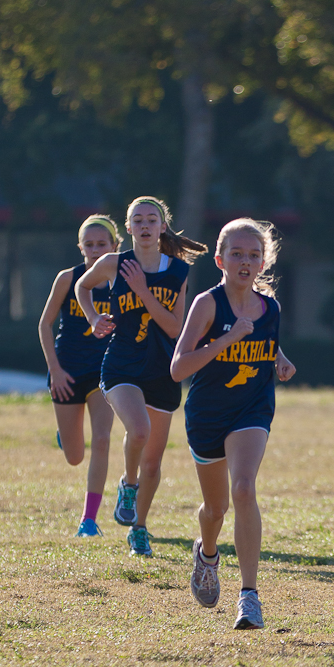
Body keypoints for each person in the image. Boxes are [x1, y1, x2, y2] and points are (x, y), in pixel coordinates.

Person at [171, 218, 296, 629]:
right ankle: (207, 555)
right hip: (208, 414)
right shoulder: (207, 304)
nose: (245, 262)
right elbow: (178, 367)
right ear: (220, 260)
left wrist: (279, 359)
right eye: (237, 254)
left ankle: (249, 597)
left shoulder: (270, 308)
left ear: (263, 262)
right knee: (216, 508)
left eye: (254, 255)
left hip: (252, 409)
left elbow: (266, 342)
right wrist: (226, 339)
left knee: (243, 488)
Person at [76, 196, 207, 557]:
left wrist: (143, 292)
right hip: (121, 364)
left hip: (162, 369)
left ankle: (139, 528)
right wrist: (92, 318)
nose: (145, 226)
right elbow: (82, 287)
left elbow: (174, 327)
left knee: (152, 462)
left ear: (162, 227)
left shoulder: (178, 271)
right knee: (138, 430)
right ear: (129, 227)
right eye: (138, 220)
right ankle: (127, 485)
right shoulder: (113, 263)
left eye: (152, 220)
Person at [38, 214, 120, 537]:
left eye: (102, 244)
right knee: (74, 457)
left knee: (102, 439)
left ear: (115, 246)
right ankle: (65, 434)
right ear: (80, 247)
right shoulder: (67, 278)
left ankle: (89, 520)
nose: (96, 250)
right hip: (67, 371)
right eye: (90, 244)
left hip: (103, 372)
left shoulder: (121, 281)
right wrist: (55, 370)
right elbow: (45, 324)